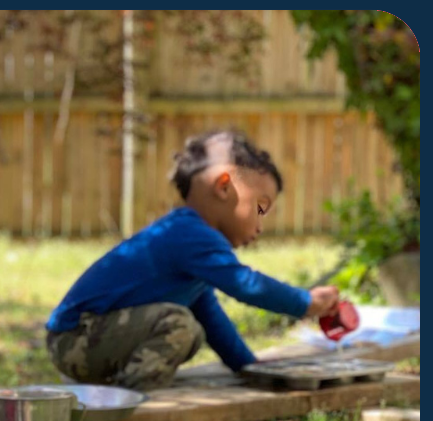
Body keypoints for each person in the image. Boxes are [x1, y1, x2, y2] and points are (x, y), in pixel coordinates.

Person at [45, 129, 340, 389]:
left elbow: (208, 312)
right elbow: (246, 284)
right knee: (179, 326)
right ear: (224, 187)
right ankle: (133, 404)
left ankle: (121, 387)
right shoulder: (191, 235)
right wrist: (305, 302)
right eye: (260, 208)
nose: (261, 225)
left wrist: (247, 365)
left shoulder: (188, 238)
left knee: (191, 322)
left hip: (82, 340)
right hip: (75, 339)